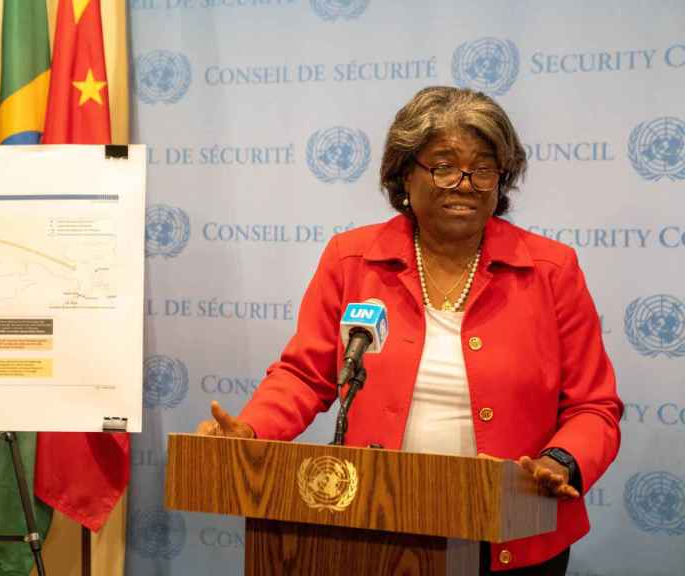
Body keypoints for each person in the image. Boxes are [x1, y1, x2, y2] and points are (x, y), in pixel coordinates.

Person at [195, 86, 622, 575]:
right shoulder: (352, 259)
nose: (464, 183)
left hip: (512, 536)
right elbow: (304, 375)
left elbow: (594, 407)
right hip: (378, 525)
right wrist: (249, 431)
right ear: (403, 173)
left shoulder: (550, 269)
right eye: (443, 165)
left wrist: (559, 462)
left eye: (483, 169)